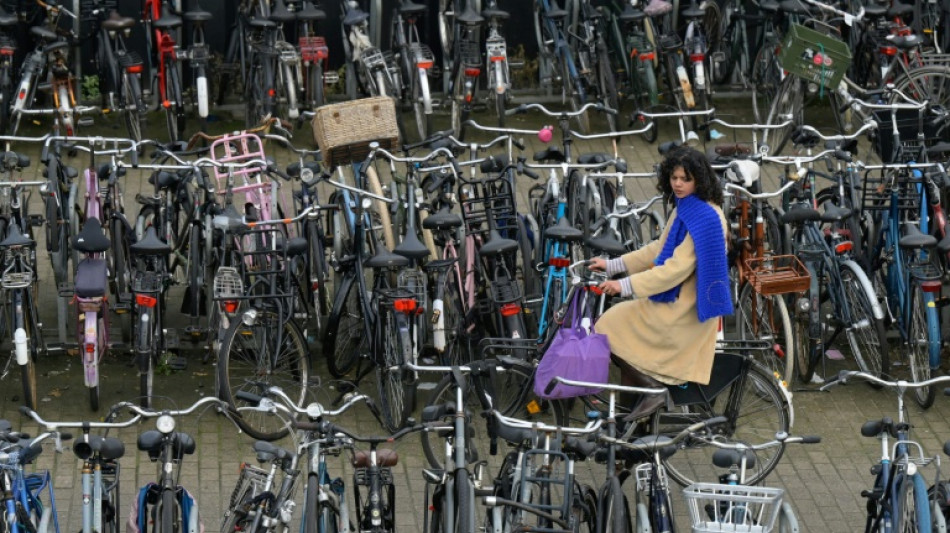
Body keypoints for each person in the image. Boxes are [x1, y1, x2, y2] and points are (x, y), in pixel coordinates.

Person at [589, 145, 733, 422]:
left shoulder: (706, 219)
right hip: (674, 302)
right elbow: (658, 249)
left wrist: (624, 286)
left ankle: (654, 391)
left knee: (609, 325)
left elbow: (674, 270)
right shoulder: (687, 209)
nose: (677, 184)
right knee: (623, 343)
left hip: (686, 312)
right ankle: (631, 425)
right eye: (674, 178)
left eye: (685, 179)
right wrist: (612, 266)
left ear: (699, 181)